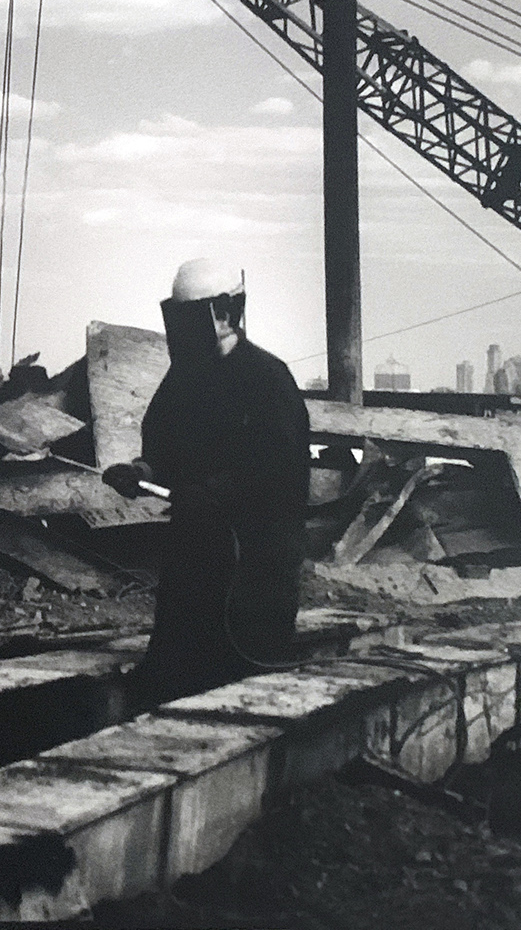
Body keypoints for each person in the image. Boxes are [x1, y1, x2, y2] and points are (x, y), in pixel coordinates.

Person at [102, 258, 310, 707]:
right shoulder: (184, 378)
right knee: (173, 670)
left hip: (256, 561)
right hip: (195, 551)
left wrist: (214, 493)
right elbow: (163, 446)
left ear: (225, 312)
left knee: (245, 684)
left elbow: (276, 469)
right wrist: (143, 472)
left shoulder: (268, 379)